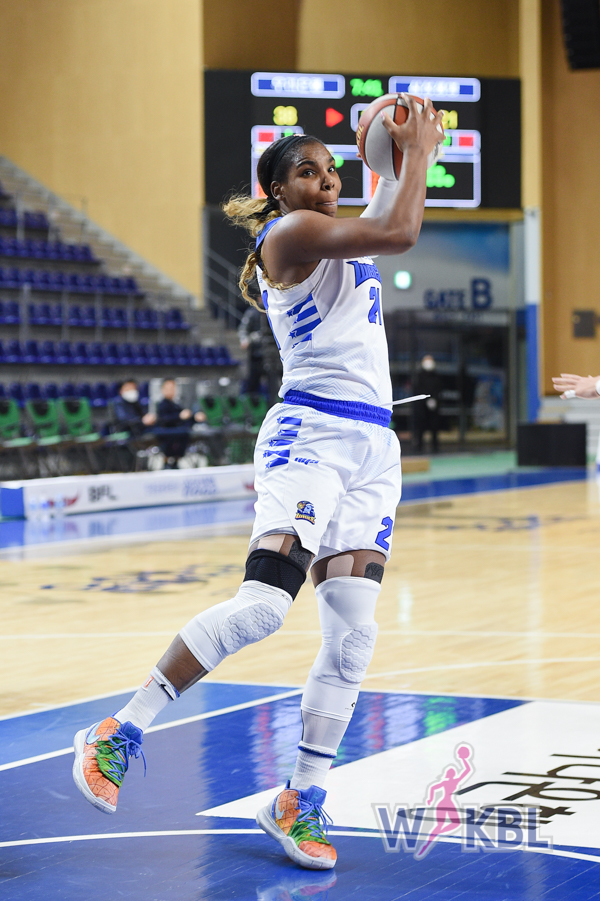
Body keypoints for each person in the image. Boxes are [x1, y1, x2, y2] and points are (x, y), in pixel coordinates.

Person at [72, 97, 443, 871]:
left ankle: (298, 798)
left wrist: (395, 156)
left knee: (354, 635)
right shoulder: (289, 234)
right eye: (308, 171)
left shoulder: (336, 226)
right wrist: (419, 152)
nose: (326, 180)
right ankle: (119, 728)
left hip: (372, 446)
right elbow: (401, 228)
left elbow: (387, 208)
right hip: (312, 434)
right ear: (278, 191)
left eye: (332, 170)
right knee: (265, 606)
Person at [155, 378, 206, 468]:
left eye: (173, 388)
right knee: (181, 434)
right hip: (167, 432)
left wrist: (195, 417)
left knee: (186, 432)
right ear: (162, 390)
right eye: (168, 388)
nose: (171, 390)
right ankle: (169, 460)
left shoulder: (176, 404)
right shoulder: (162, 404)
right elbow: (164, 419)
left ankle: (176, 460)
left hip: (179, 431)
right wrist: (179, 416)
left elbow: (185, 417)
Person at [413, 354, 443, 453]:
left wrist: (434, 399)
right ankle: (419, 446)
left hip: (434, 406)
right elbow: (417, 390)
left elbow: (439, 390)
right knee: (421, 426)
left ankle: (435, 446)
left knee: (434, 426)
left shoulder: (436, 376)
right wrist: (425, 400)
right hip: (421, 407)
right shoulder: (419, 376)